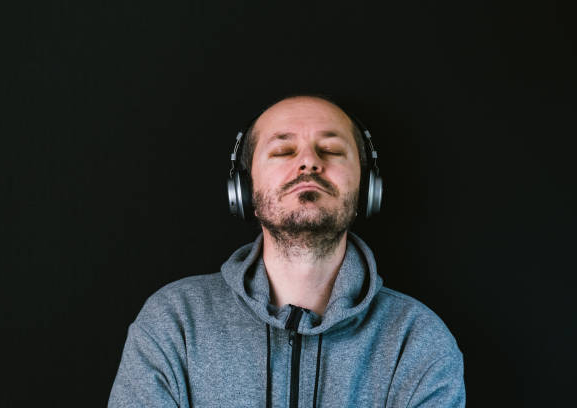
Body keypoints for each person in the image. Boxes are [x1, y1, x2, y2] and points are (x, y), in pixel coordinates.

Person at [108, 95, 465, 407]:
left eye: (331, 150)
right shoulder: (174, 323)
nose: (309, 163)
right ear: (245, 190)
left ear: (367, 188)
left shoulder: (417, 340)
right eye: (283, 150)